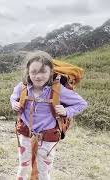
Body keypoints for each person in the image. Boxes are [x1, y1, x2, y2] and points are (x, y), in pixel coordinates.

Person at [10, 51, 88, 180]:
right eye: (34, 72)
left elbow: (81, 103)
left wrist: (67, 111)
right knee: (23, 166)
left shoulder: (58, 91)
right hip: (25, 135)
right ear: (28, 72)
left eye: (43, 72)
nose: (38, 76)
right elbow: (13, 97)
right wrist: (14, 103)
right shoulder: (22, 87)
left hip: (47, 139)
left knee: (43, 172)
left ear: (51, 72)